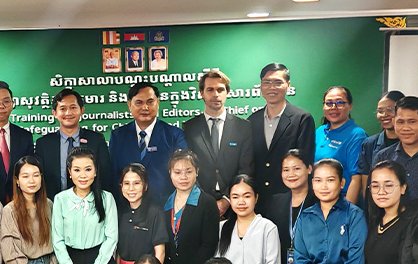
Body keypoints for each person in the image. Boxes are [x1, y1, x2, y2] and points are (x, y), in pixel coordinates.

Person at [293, 158, 366, 264]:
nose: (323, 186)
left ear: (342, 183)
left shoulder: (355, 215)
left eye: (330, 180)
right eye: (318, 180)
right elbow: (301, 259)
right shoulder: (305, 217)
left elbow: (355, 258)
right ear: (312, 183)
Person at [51, 146, 118, 264]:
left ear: (95, 171)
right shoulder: (61, 199)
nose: (83, 175)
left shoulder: (106, 198)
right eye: (77, 170)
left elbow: (111, 237)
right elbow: (57, 238)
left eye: (88, 169)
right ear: (69, 172)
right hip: (70, 263)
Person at [182, 70, 255, 217]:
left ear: (227, 93)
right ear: (201, 93)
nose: (215, 94)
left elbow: (246, 167)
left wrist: (227, 199)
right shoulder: (190, 128)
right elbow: (189, 168)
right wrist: (206, 201)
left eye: (220, 89)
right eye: (210, 89)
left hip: (235, 206)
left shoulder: (243, 127)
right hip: (200, 205)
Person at [248, 63, 316, 204]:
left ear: (288, 85)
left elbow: (305, 162)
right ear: (261, 86)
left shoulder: (302, 118)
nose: (271, 87)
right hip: (258, 201)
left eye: (278, 82)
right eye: (267, 82)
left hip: (290, 200)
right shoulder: (252, 120)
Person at [109, 81, 187, 203]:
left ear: (158, 103)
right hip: (128, 209)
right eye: (139, 102)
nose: (145, 107)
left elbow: (183, 174)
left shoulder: (174, 135)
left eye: (150, 102)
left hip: (165, 207)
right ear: (129, 105)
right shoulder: (118, 136)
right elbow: (114, 176)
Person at [215, 175, 281, 264]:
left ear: (256, 198)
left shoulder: (267, 227)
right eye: (235, 197)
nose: (241, 202)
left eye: (246, 196)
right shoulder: (222, 228)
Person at [264, 150, 317, 264]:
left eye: (296, 168)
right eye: (286, 170)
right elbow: (269, 244)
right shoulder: (276, 201)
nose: (291, 174)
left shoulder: (319, 200)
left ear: (309, 169)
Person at [33, 88, 112, 198]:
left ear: (82, 110)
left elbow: (106, 176)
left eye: (73, 107)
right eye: (63, 108)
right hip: (53, 206)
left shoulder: (96, 140)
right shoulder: (44, 144)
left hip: (90, 205)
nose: (68, 113)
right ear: (54, 113)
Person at [116, 163, 169, 264]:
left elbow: (160, 251)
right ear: (121, 186)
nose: (131, 188)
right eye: (126, 183)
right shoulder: (118, 212)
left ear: (145, 186)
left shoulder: (155, 212)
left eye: (136, 183)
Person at [314, 86, 367, 203]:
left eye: (339, 102)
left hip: (342, 202)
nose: (333, 107)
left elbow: (357, 179)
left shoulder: (357, 135)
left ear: (350, 106)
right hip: (319, 202)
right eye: (329, 103)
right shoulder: (319, 131)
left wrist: (347, 215)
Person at [352, 90, 404, 206]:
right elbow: (367, 186)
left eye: (390, 109)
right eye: (380, 111)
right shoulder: (369, 144)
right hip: (377, 210)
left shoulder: (410, 143)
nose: (384, 114)